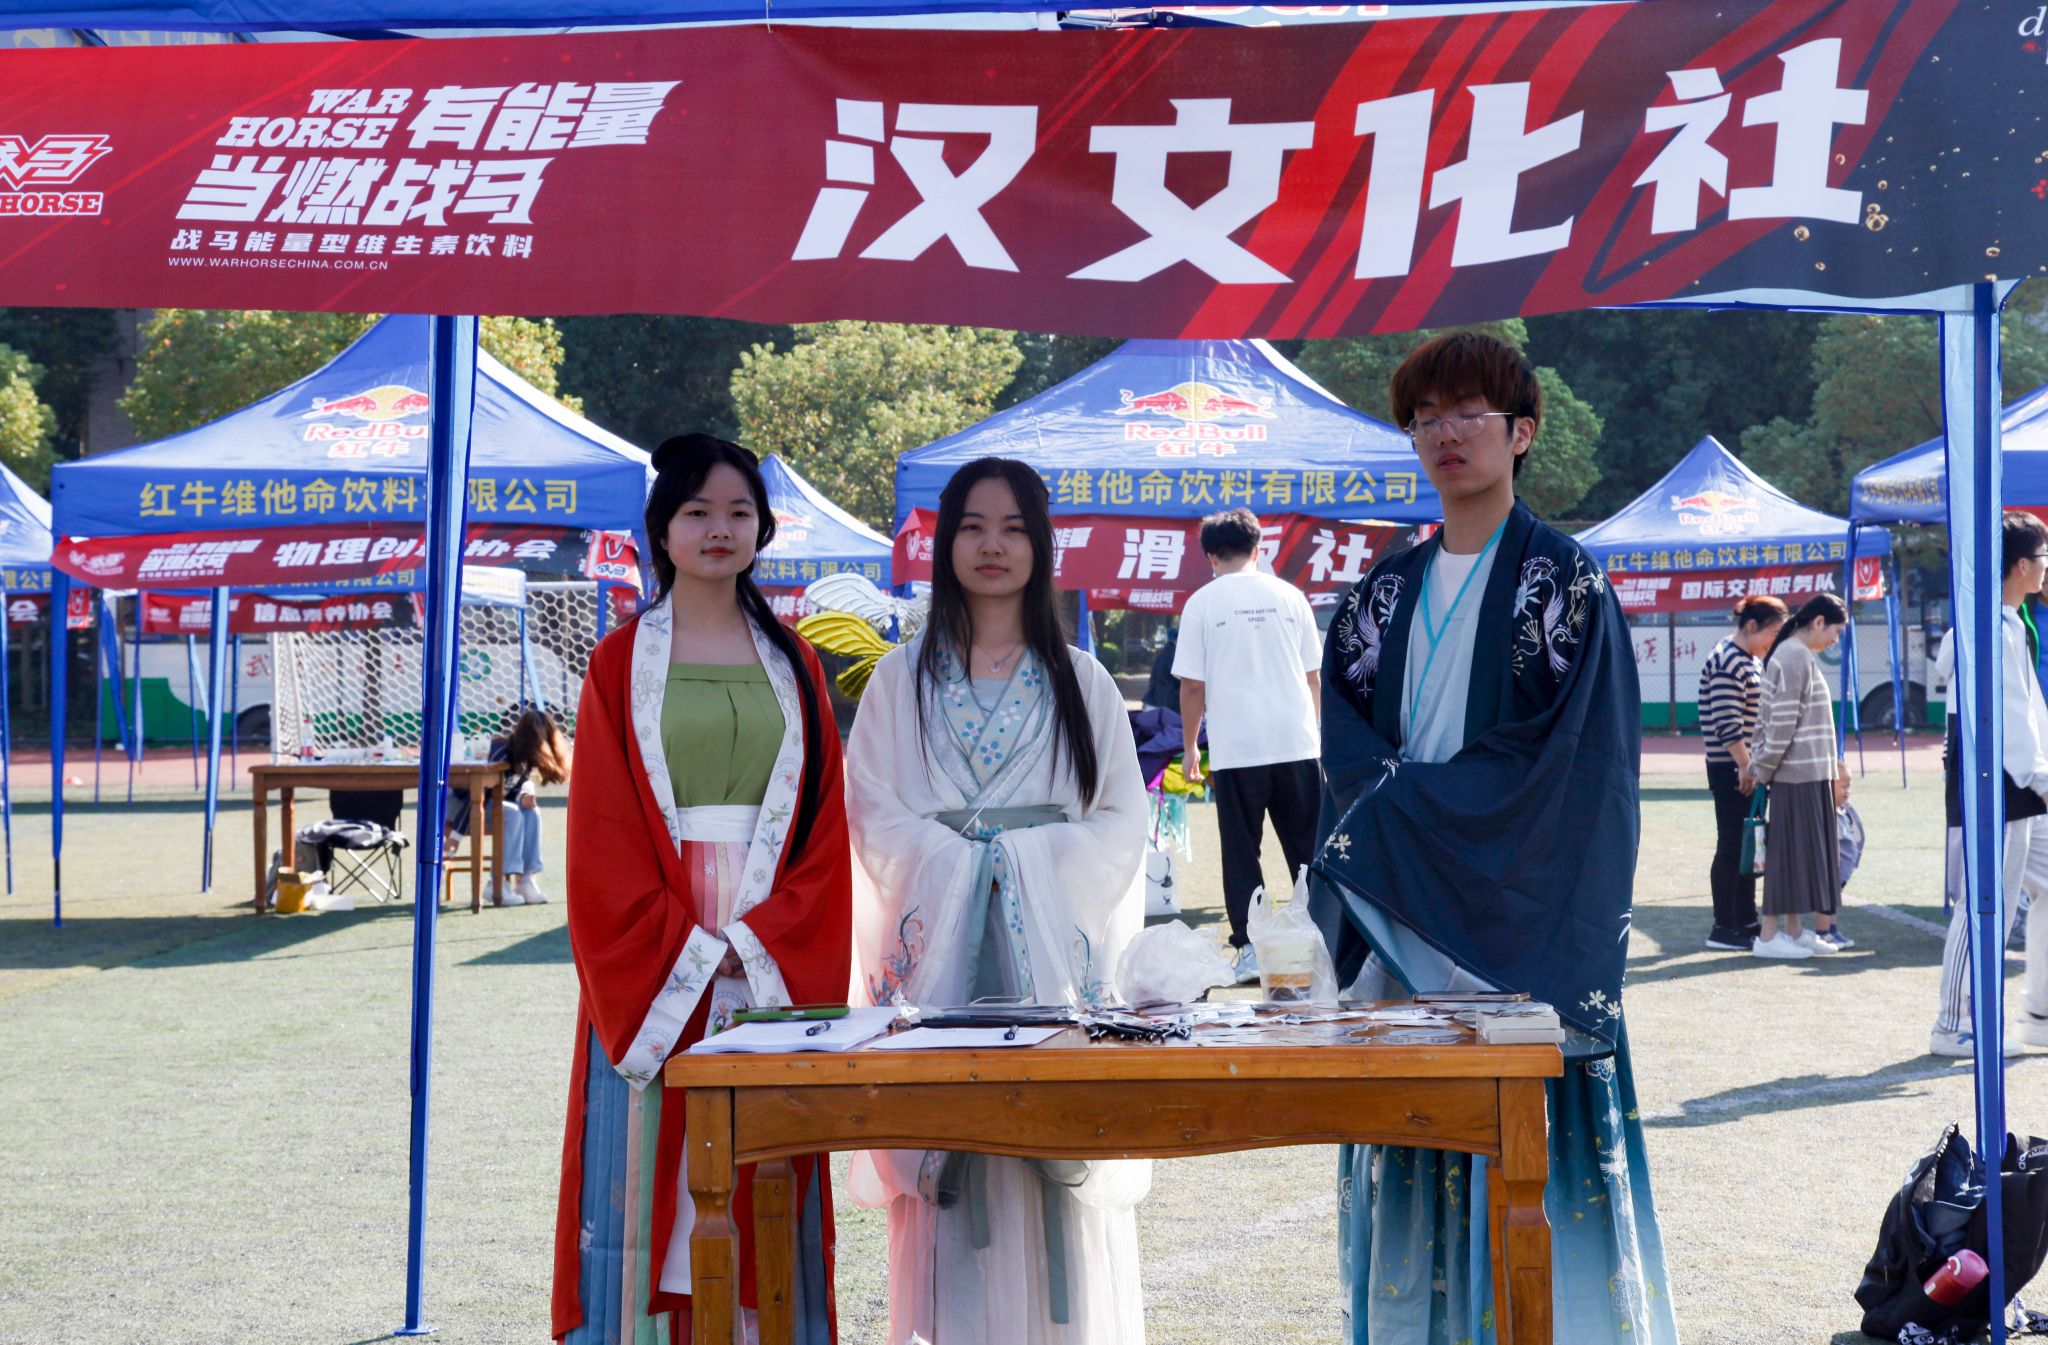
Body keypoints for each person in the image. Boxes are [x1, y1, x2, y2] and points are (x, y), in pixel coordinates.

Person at [1309, 330, 1677, 1344]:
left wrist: (1413, 810)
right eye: (1424, 417)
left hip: (1519, 920)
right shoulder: (1380, 593)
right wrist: (1405, 814)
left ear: (1520, 433)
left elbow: (1579, 767)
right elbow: (1346, 748)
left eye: (1468, 412)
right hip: (1404, 925)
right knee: (1410, 1138)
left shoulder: (1563, 582)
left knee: (1528, 1150)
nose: (1445, 433)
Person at [844, 456, 1151, 1345]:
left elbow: (1121, 820)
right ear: (945, 542)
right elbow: (871, 809)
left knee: (1049, 1157)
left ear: (1041, 544)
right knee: (955, 1166)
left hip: (1049, 974)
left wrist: (1012, 862)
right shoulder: (900, 680)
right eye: (974, 526)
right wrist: (966, 866)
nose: (993, 545)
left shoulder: (1084, 681)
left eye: (1014, 528)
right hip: (940, 983)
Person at [553, 433, 852, 1344]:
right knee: (649, 1158)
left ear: (763, 528)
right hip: (656, 941)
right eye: (697, 511)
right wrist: (684, 945)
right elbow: (601, 827)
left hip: (769, 938)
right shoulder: (618, 662)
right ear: (662, 529)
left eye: (739, 511)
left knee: (765, 1156)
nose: (719, 528)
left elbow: (823, 825)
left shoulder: (796, 661)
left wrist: (763, 938)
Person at [1174, 506, 1323, 983]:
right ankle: (1326, 940)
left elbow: (1191, 686)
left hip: (1238, 749)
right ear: (1258, 549)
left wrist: (1191, 747)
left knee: (1241, 851)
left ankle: (1250, 949)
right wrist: (1315, 735)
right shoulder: (1291, 596)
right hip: (1298, 743)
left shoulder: (1202, 602)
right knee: (1310, 850)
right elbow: (1313, 677)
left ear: (1210, 555)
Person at [1929, 510, 2048, 1057]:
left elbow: (2029, 712)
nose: (2046, 567)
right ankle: (1954, 1023)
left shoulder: (2009, 623)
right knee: (1983, 902)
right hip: (1995, 782)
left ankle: (2038, 1012)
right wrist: (2040, 777)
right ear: (2021, 565)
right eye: (2043, 557)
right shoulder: (1988, 629)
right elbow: (2008, 716)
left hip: (2019, 780)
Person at [1742, 593, 1853, 959]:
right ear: (1818, 622)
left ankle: (1790, 931)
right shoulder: (1794, 655)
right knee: (1787, 859)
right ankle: (1768, 936)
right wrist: (1764, 769)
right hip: (1797, 774)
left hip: (1804, 772)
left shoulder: (1795, 653)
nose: (1835, 640)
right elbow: (1782, 723)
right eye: (1836, 631)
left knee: (1794, 857)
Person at [1699, 594, 1788, 950]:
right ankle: (1724, 927)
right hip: (1732, 768)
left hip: (1745, 767)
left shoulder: (1748, 659)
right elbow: (1727, 723)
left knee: (1748, 846)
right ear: (1751, 626)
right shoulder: (1728, 660)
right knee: (1733, 845)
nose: (1775, 642)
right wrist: (1745, 765)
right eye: (1774, 633)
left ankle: (1746, 921)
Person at [446, 706, 572, 906]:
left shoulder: (526, 759)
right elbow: (476, 795)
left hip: (490, 806)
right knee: (512, 814)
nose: (543, 746)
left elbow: (512, 789)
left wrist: (524, 795)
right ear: (527, 738)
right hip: (460, 805)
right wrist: (455, 837)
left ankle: (526, 880)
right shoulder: (501, 752)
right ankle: (497, 883)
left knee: (531, 812)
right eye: (539, 740)